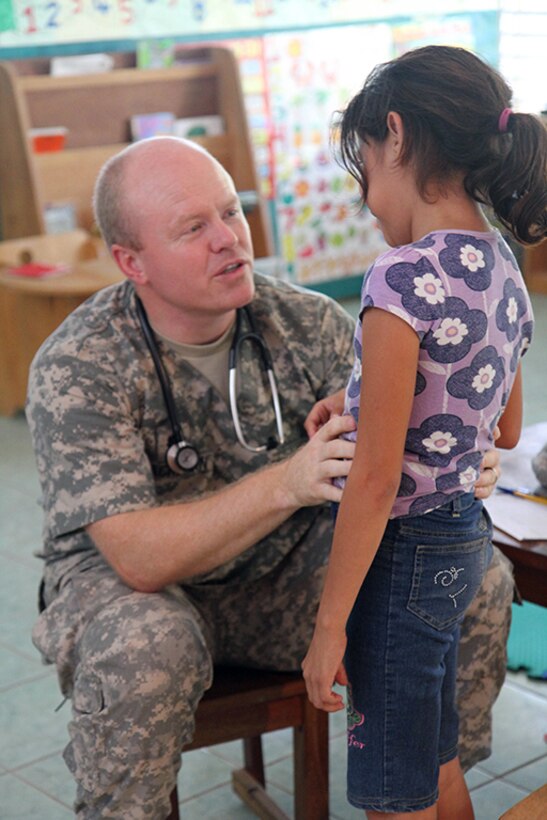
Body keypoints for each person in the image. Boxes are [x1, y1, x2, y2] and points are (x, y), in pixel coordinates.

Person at [27, 136, 507, 820]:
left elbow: (394, 447)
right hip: (139, 596)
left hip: (280, 579)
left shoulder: (306, 321)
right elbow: (138, 558)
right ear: (131, 261)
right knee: (146, 650)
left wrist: (460, 459)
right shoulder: (77, 364)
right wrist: (289, 481)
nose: (230, 240)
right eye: (194, 228)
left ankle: (429, 778)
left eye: (232, 212)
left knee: (467, 575)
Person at [302, 45, 546, 819]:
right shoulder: (503, 263)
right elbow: (498, 426)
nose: (367, 200)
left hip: (398, 555)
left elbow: (373, 480)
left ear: (396, 137)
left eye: (363, 167)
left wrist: (327, 627)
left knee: (390, 796)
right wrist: (356, 401)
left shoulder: (399, 278)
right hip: (459, 544)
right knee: (433, 762)